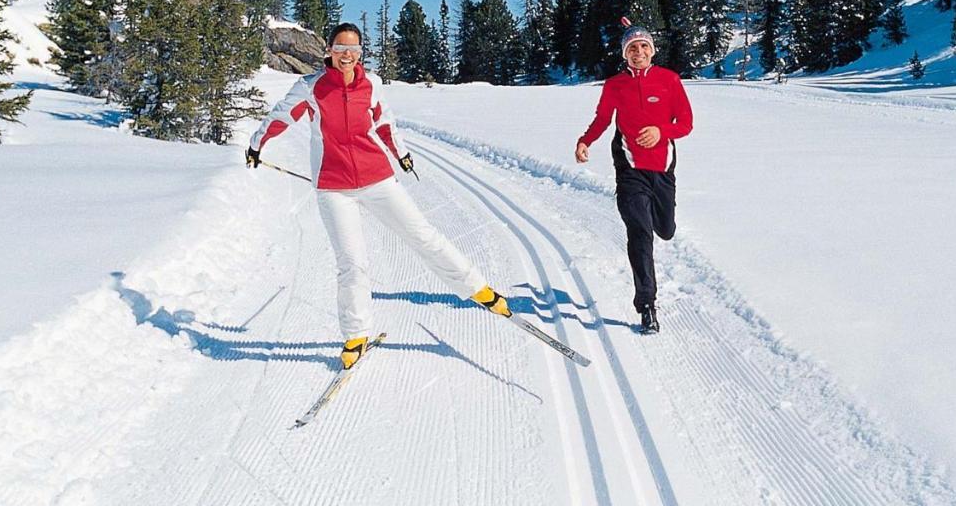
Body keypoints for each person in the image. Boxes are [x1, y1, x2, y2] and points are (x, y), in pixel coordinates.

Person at [246, 23, 511, 369]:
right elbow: (281, 116)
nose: (347, 55)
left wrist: (399, 153)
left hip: (377, 178)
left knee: (423, 236)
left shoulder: (371, 84)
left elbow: (385, 123)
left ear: (360, 54)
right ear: (328, 50)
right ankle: (356, 335)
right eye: (340, 48)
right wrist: (256, 143)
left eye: (354, 50)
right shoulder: (310, 88)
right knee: (352, 264)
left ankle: (480, 290)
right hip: (334, 187)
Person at [574, 19, 693, 334]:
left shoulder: (669, 80)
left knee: (664, 230)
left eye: (643, 47)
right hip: (629, 169)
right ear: (624, 55)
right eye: (632, 48)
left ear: (652, 51)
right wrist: (585, 141)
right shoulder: (615, 85)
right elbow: (602, 119)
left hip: (663, 168)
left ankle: (659, 218)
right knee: (640, 233)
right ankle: (647, 305)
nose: (638, 52)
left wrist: (661, 130)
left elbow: (686, 123)